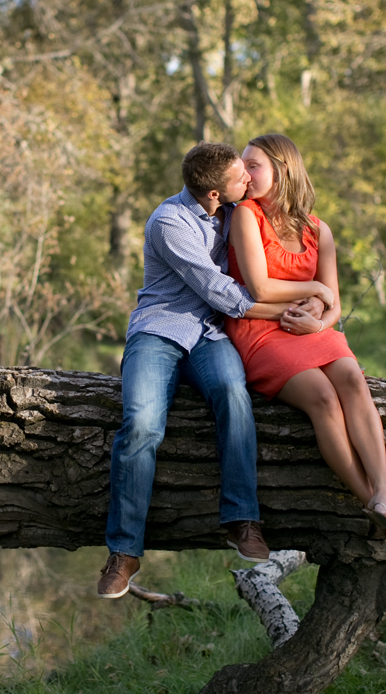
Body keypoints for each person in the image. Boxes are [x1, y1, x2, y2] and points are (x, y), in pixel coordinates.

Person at [98, 140, 332, 599]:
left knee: (233, 393)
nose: (248, 177)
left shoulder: (237, 212)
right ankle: (124, 551)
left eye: (248, 170)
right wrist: (300, 306)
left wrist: (320, 306)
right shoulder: (168, 222)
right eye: (239, 175)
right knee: (142, 423)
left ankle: (242, 519)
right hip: (161, 330)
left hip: (210, 335)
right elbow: (222, 291)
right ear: (212, 194)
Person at [225, 132, 386, 530]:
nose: (245, 173)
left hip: (308, 330)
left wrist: (318, 321)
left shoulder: (317, 230)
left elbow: (335, 306)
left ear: (283, 169)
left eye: (253, 165)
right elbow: (260, 288)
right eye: (243, 165)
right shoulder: (245, 215)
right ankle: (373, 506)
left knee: (352, 381)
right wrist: (314, 290)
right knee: (323, 398)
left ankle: (384, 491)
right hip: (258, 329)